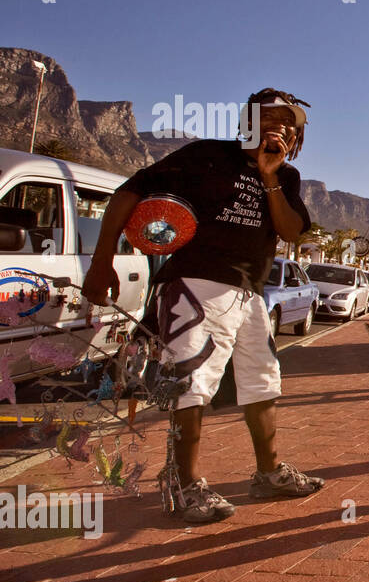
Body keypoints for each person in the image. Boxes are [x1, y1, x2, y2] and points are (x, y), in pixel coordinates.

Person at [83, 88, 323, 523]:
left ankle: (269, 473)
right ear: (246, 120)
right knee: (191, 382)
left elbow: (289, 231)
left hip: (251, 292)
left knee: (262, 382)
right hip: (196, 285)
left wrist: (270, 175)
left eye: (291, 123)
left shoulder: (286, 178)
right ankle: (184, 484)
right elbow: (128, 193)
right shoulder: (206, 156)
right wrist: (101, 264)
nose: (282, 126)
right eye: (270, 116)